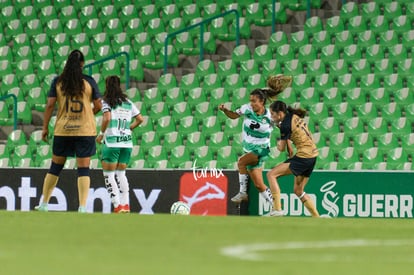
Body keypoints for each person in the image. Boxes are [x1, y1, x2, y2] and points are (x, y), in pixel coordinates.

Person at [35, 49, 102, 213]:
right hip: (84, 131)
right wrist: (89, 114)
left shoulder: (58, 82)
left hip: (63, 130)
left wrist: (44, 128)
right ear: (82, 64)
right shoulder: (89, 81)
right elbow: (99, 105)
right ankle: (83, 207)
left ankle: (44, 204)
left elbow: (50, 105)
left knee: (55, 167)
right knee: (83, 169)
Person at [219, 88, 282, 216]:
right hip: (249, 149)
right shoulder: (246, 109)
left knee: (241, 162)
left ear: (262, 101)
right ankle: (277, 208)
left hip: (262, 150)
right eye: (250, 101)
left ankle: (243, 192)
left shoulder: (270, 115)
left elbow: (283, 127)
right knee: (259, 185)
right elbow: (234, 115)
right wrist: (225, 110)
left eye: (254, 101)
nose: (252, 103)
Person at [96, 75, 144, 213]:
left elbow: (107, 118)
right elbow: (140, 119)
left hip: (112, 142)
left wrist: (101, 134)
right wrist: (130, 128)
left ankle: (117, 206)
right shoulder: (128, 102)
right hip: (126, 143)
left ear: (107, 86)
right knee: (121, 174)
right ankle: (126, 205)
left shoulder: (106, 101)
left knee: (109, 175)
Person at [266, 101, 320, 217]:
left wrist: (272, 137)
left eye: (272, 114)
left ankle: (277, 209)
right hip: (313, 155)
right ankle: (317, 217)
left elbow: (281, 148)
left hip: (304, 156)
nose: (271, 116)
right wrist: (289, 147)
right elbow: (290, 137)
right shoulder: (293, 116)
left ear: (280, 113)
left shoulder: (285, 125)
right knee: (298, 191)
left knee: (271, 175)